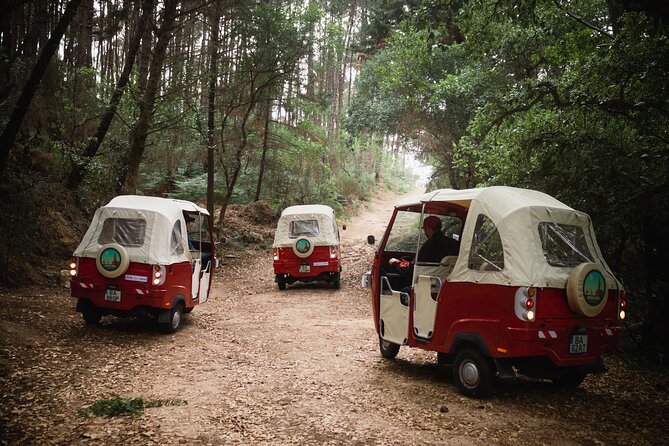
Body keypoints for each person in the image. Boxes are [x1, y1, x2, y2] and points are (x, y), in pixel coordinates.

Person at [389, 215, 459, 271]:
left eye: (424, 229)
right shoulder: (454, 244)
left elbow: (412, 269)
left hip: (426, 282)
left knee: (405, 289)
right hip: (446, 282)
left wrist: (396, 263)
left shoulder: (429, 245)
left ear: (428, 229)